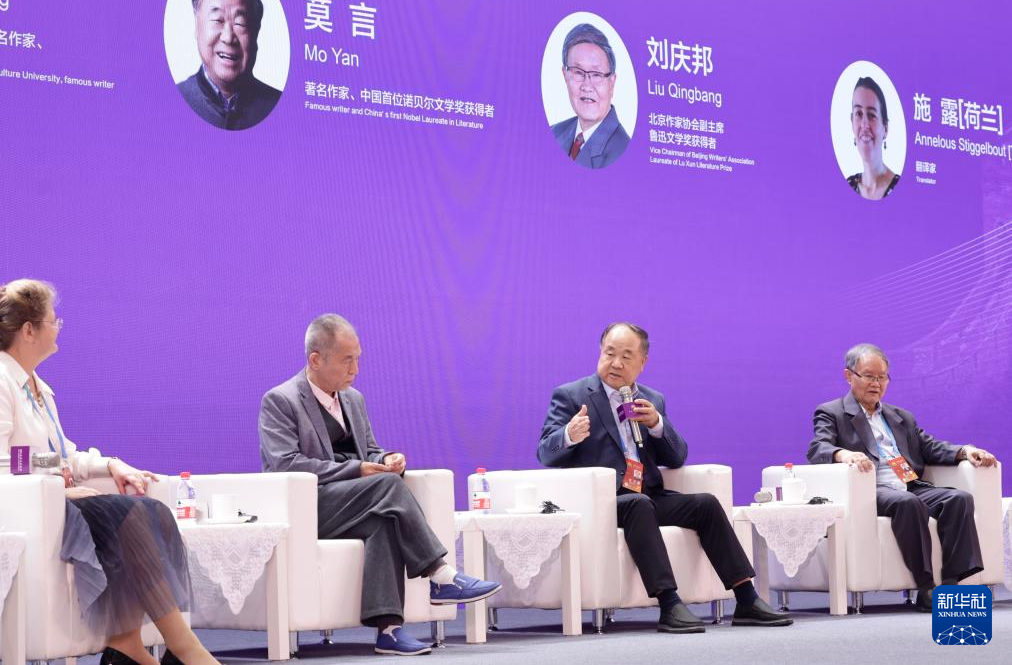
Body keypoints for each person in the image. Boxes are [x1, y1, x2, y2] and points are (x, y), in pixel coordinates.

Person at [0, 279, 218, 665]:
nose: (59, 327)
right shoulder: (2, 380)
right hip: (28, 507)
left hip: (54, 498)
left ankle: (128, 646)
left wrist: (111, 464)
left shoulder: (38, 387)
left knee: (151, 510)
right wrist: (57, 488)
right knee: (125, 513)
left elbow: (64, 455)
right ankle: (184, 649)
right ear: (29, 330)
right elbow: (4, 464)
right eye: (53, 320)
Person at [259, 314, 501, 656]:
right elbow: (285, 464)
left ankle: (389, 630)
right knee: (386, 489)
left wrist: (387, 458)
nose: (355, 369)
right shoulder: (281, 400)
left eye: (358, 359)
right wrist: (358, 469)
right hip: (312, 508)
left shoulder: (353, 399)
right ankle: (440, 574)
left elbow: (369, 449)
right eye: (347, 360)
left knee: (384, 520)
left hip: (357, 503)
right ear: (315, 360)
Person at [538, 322, 792, 633]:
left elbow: (676, 457)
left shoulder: (652, 399)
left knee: (706, 504)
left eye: (626, 356)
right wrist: (568, 435)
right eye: (609, 353)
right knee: (639, 504)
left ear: (642, 362)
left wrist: (657, 425)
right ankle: (670, 603)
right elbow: (545, 453)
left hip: (648, 496)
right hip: (604, 503)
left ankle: (746, 598)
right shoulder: (572, 395)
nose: (615, 363)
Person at [808, 343, 997, 611]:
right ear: (849, 376)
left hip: (908, 484)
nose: (876, 384)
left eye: (882, 377)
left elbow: (929, 446)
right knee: (908, 503)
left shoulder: (900, 416)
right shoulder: (832, 412)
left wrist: (966, 451)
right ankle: (925, 586)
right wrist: (843, 454)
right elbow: (818, 448)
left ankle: (951, 584)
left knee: (958, 499)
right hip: (871, 488)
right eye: (869, 376)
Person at [177, 0, 281, 130]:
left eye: (240, 23)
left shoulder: (281, 107)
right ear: (197, 23)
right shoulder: (171, 100)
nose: (228, 37)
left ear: (256, 31)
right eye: (217, 20)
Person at [550, 23, 630, 169]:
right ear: (565, 75)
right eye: (578, 72)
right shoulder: (554, 132)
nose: (587, 86)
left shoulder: (624, 153)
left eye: (596, 74)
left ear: (612, 82)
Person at [846, 76, 900, 199]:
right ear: (852, 122)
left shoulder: (902, 187)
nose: (864, 125)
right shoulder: (848, 185)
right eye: (858, 114)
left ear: (885, 128)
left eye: (871, 115)